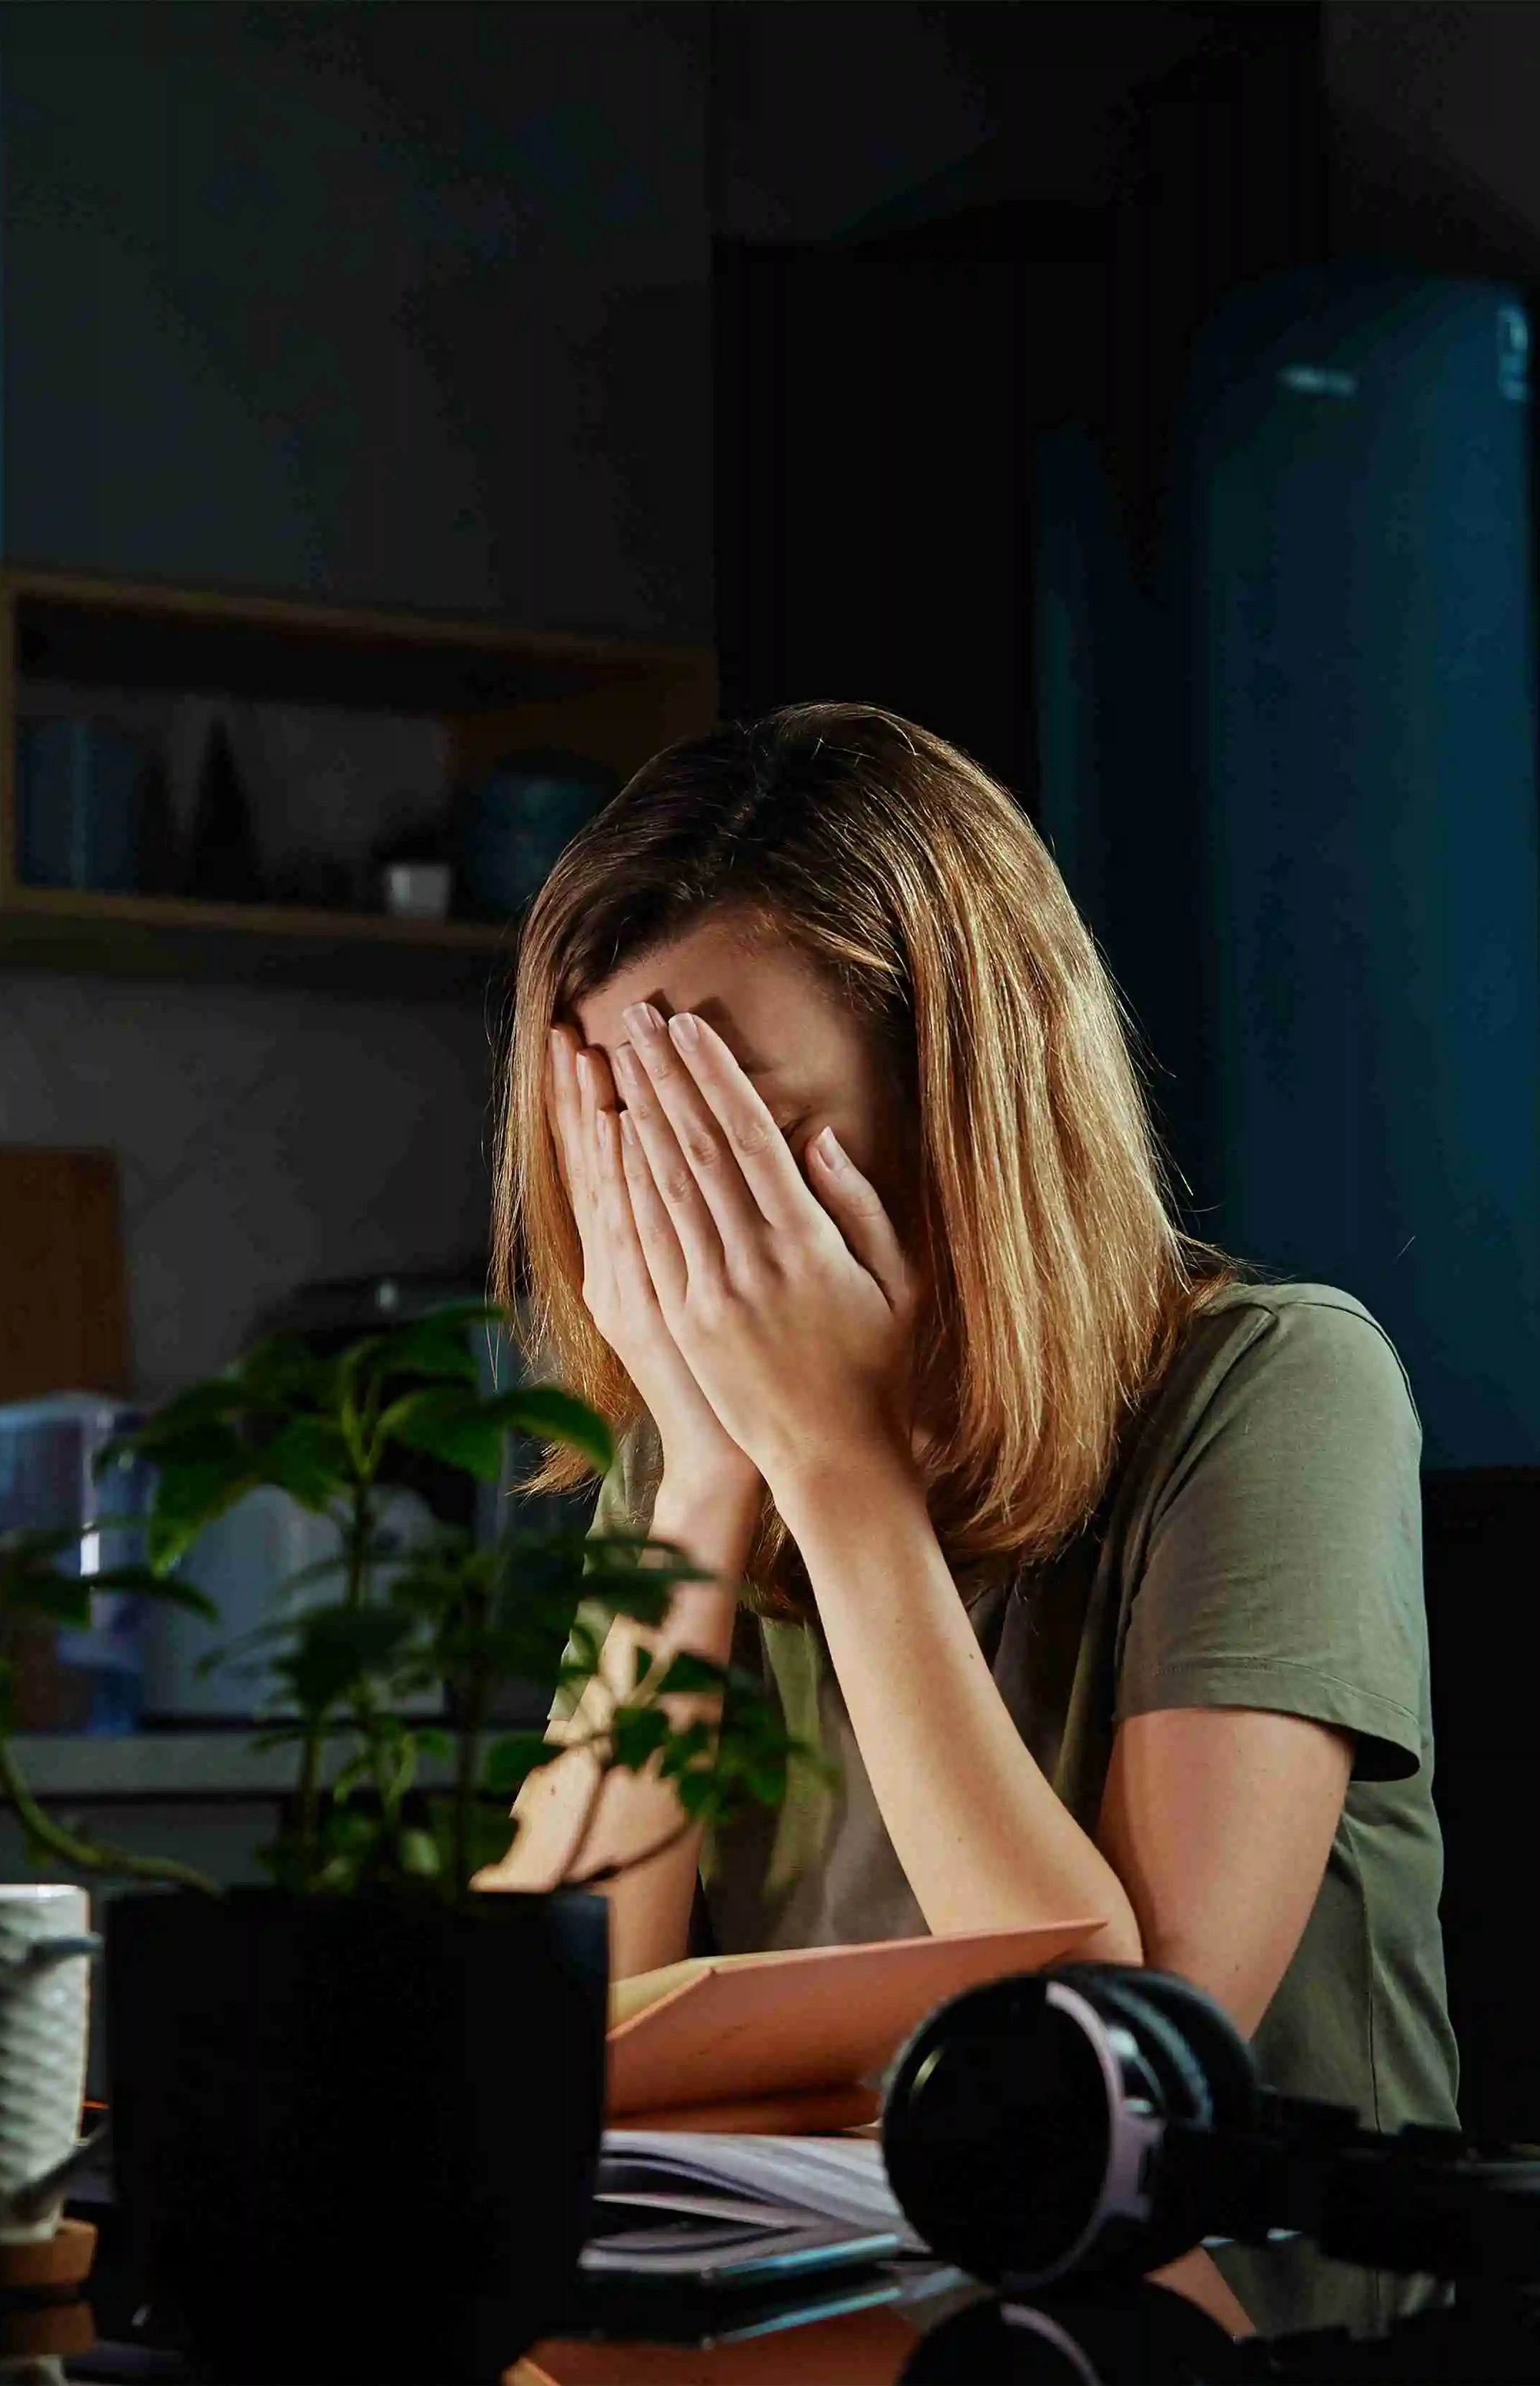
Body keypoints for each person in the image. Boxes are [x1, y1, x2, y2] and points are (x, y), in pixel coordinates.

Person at [483, 704, 1456, 2131]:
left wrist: (842, 1477)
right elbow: (529, 2039)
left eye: (730, 1133)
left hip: (1227, 2313)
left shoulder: (1283, 1385)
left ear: (961, 1100)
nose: (681, 1219)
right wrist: (700, 1483)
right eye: (632, 1143)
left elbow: (1127, 2076)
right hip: (844, 2292)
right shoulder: (696, 1448)